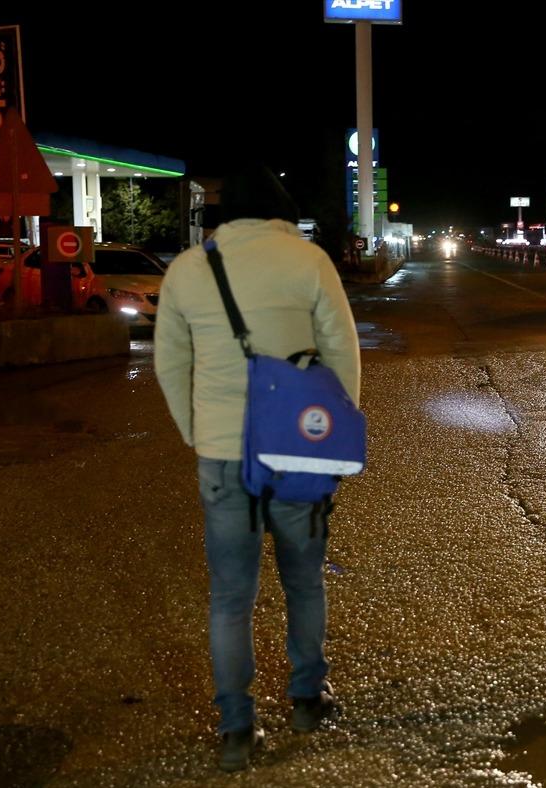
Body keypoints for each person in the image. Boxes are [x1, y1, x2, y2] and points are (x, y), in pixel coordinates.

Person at [154, 164, 361, 771]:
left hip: (222, 452)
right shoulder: (308, 259)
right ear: (279, 211)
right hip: (297, 447)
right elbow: (343, 351)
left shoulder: (189, 269)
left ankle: (237, 730)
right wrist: (335, 440)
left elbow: (171, 363)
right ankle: (306, 698)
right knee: (304, 578)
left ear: (220, 216)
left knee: (229, 597)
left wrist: (197, 432)